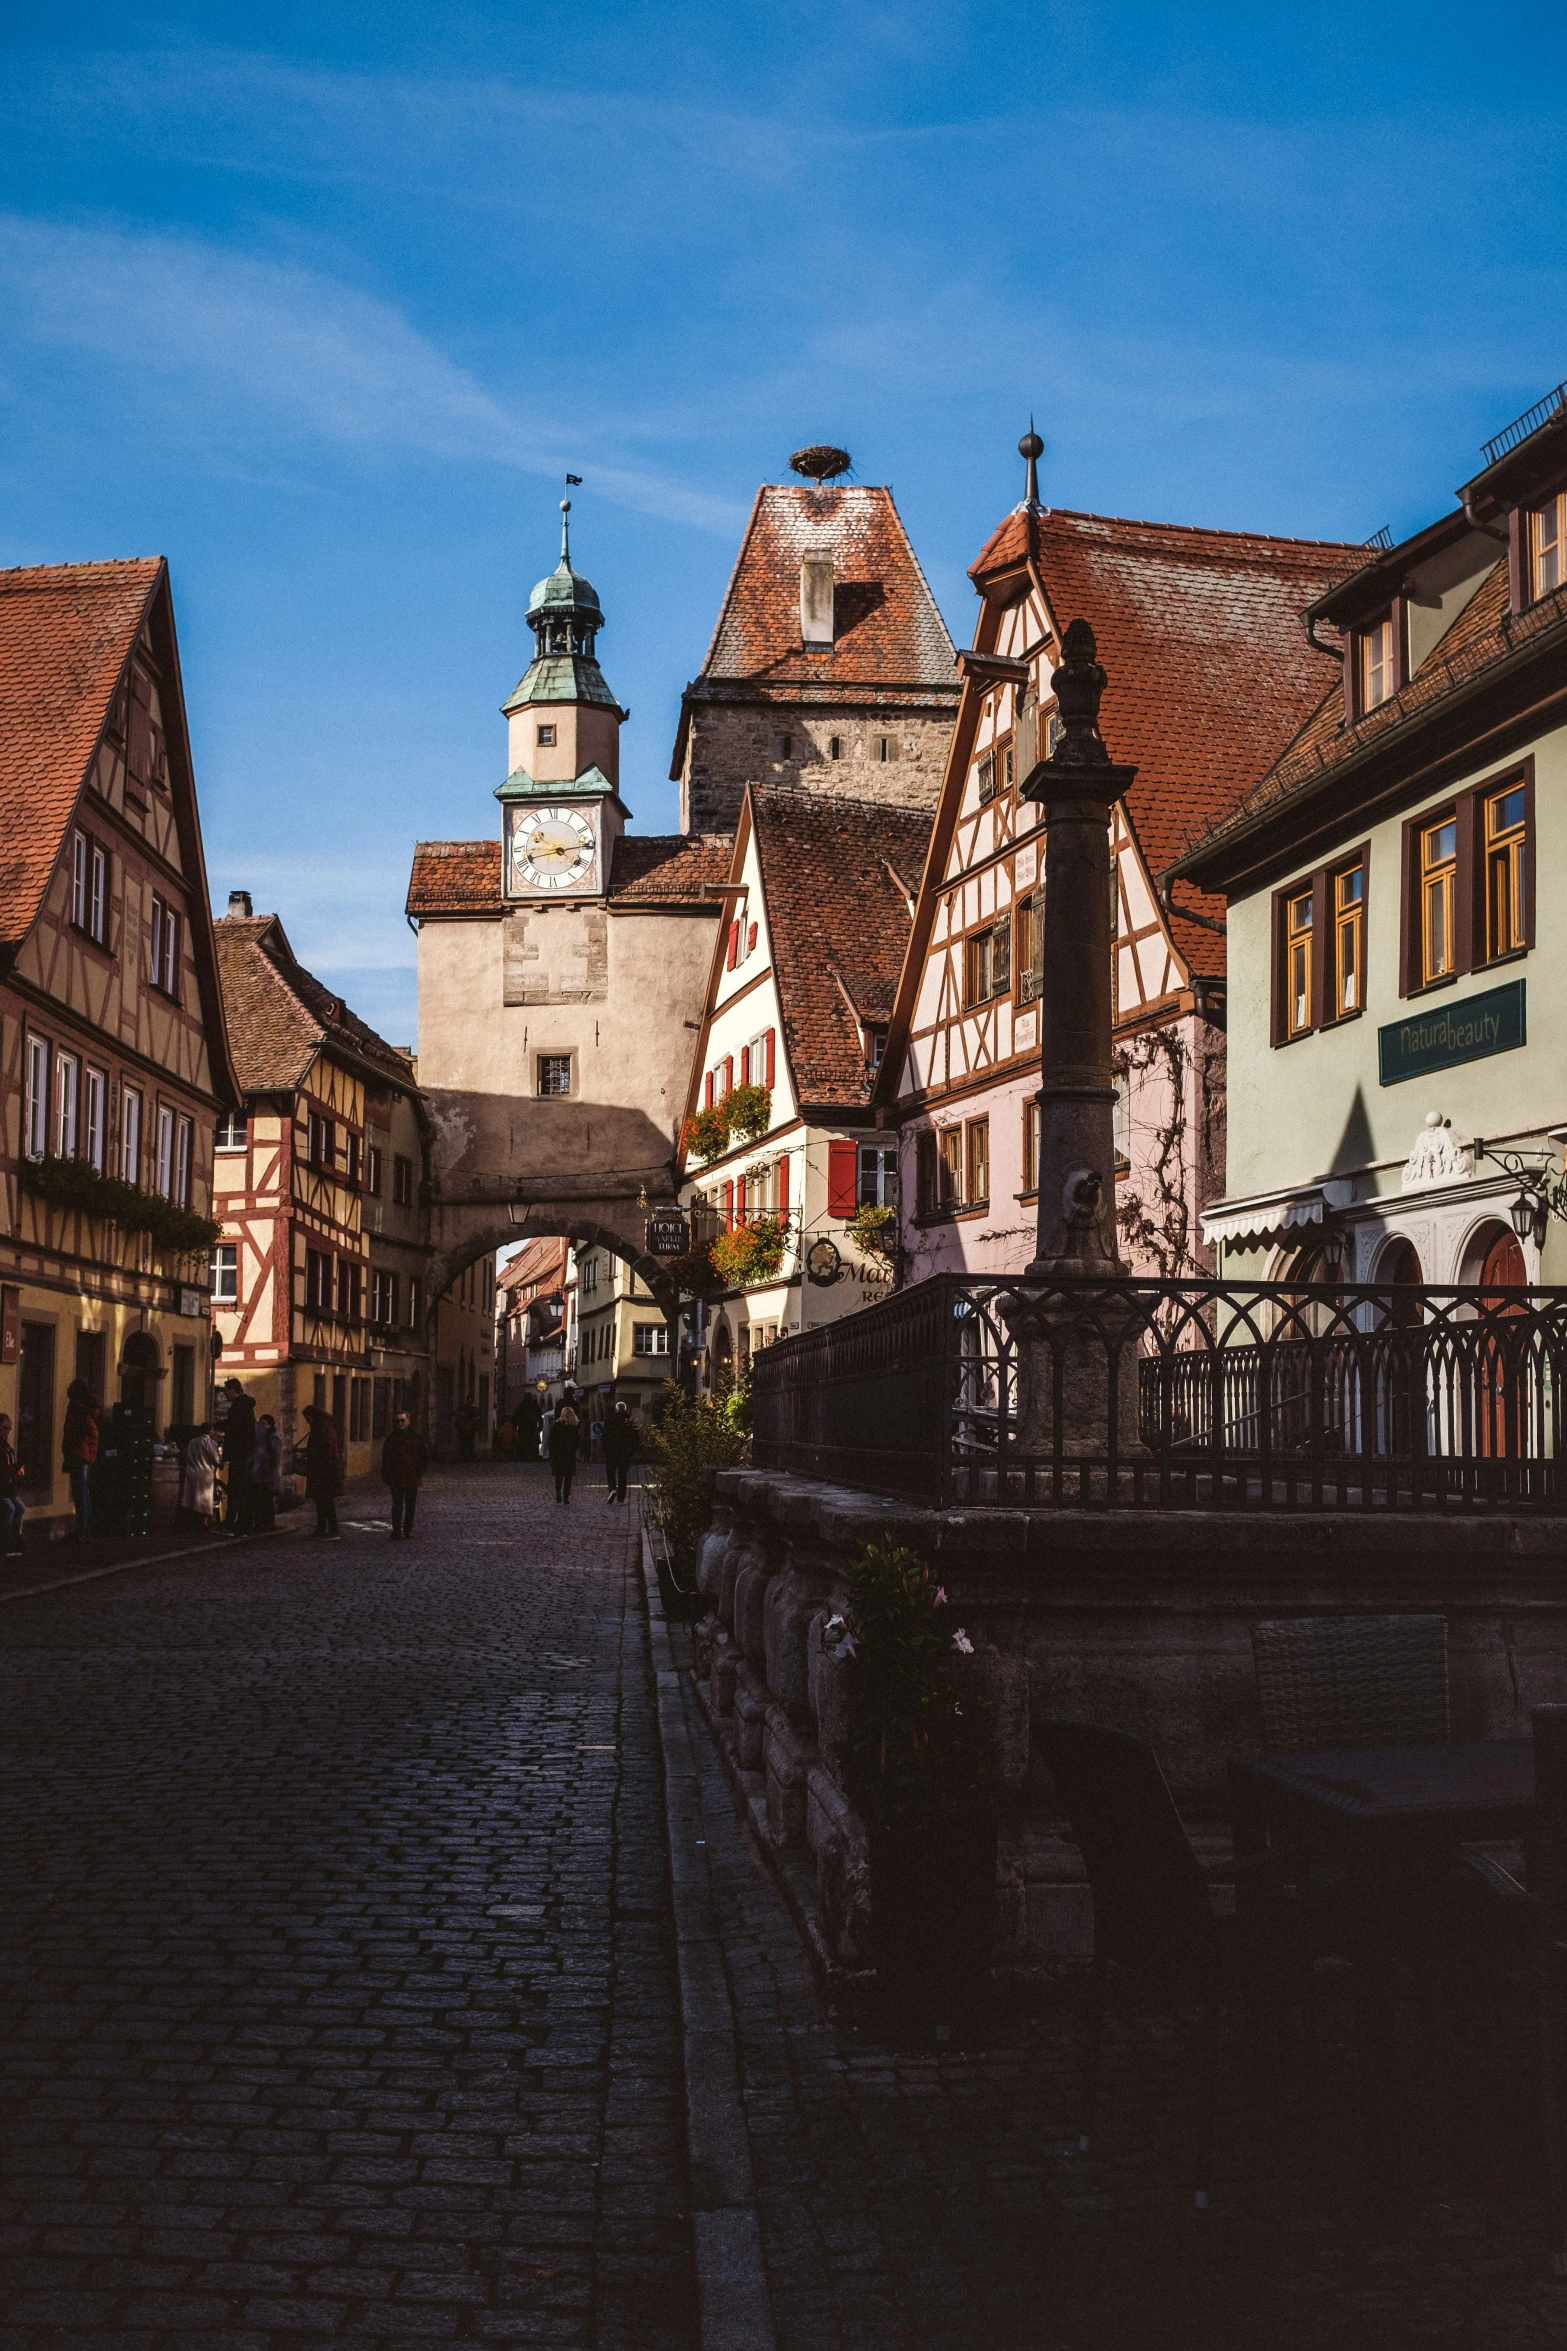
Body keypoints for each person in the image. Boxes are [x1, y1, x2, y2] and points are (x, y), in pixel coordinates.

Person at [381, 1409, 429, 1539]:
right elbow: (386, 1458)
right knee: (397, 1505)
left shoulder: (416, 1437)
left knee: (410, 1504)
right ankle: (396, 1531)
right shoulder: (391, 1439)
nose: (400, 1423)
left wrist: (419, 1471)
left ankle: (407, 1530)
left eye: (402, 1420)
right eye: (397, 1421)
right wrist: (387, 1475)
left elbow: (424, 1456)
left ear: (408, 1421)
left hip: (412, 1476)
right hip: (396, 1477)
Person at [62, 1379, 100, 1540]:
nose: (67, 1390)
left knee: (80, 1494)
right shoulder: (85, 1409)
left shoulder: (79, 1410)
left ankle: (81, 1531)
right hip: (83, 1455)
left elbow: (90, 1432)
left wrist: (75, 1442)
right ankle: (86, 1529)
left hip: (79, 1455)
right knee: (83, 1493)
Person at [220, 1379, 257, 1536]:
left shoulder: (238, 1406)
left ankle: (233, 1525)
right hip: (246, 1453)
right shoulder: (247, 1406)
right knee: (243, 1490)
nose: (225, 1394)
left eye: (226, 1391)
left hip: (239, 1453)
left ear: (232, 1390)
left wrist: (219, 1429)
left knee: (236, 1490)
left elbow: (234, 1429)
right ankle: (242, 1524)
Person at [302, 1405, 344, 1538]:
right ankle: (322, 1529)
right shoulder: (322, 1427)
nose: (306, 1421)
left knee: (325, 1501)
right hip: (323, 1471)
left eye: (307, 1418)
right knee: (322, 1501)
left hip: (324, 1472)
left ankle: (331, 1530)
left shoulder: (322, 1429)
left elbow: (326, 1451)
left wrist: (311, 1458)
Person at [181, 1424, 222, 1529]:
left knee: (192, 1497)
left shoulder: (192, 1442)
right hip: (205, 1472)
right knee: (204, 1499)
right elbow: (216, 1458)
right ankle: (204, 1522)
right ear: (210, 1431)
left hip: (192, 1471)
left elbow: (185, 1455)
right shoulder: (209, 1442)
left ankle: (192, 1521)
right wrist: (220, 1462)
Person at [251, 1413, 285, 1533]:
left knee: (267, 1499)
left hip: (269, 1474)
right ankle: (264, 1523)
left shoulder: (273, 1438)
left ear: (270, 1425)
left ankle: (268, 1523)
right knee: (263, 1499)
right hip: (264, 1473)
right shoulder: (265, 1437)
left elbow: (274, 1457)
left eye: (263, 1423)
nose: (261, 1426)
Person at [602, 1401, 640, 1505]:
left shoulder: (610, 1419)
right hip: (625, 1452)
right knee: (622, 1474)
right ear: (625, 1409)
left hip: (612, 1451)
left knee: (610, 1472)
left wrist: (605, 1449)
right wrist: (632, 1451)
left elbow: (604, 1436)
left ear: (617, 1409)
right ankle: (620, 1498)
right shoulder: (630, 1421)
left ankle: (612, 1489)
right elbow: (636, 1438)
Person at [0, 1413, 26, 1556]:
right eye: (5, 1428)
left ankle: (15, 1539)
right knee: (9, 1509)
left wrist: (17, 1471)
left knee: (20, 1508)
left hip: (7, 1489)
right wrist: (14, 1470)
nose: (8, 1431)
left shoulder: (7, 1448)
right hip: (2, 1489)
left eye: (9, 1428)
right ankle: (5, 1542)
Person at [548, 1400, 580, 1505]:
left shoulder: (556, 1425)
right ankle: (566, 1497)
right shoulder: (574, 1427)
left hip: (558, 1454)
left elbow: (551, 1440)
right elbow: (577, 1442)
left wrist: (552, 1452)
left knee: (559, 1476)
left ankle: (558, 1494)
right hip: (569, 1455)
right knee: (568, 1477)